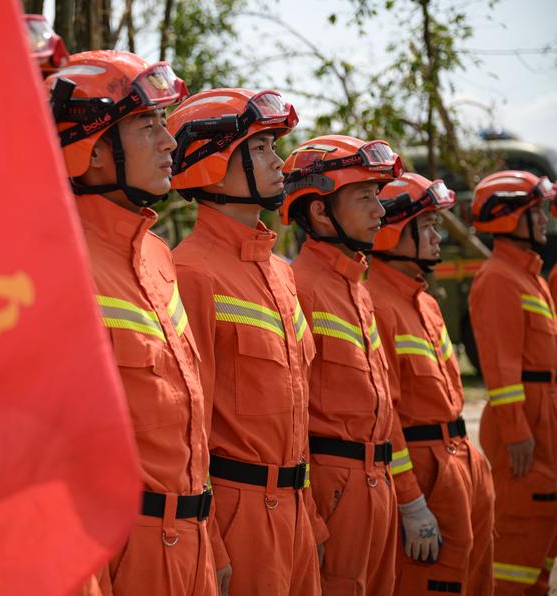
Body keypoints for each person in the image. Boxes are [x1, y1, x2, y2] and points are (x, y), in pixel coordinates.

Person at [46, 50, 216, 595]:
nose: (170, 142)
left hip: (192, 545)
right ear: (92, 152)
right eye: (148, 125)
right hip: (119, 557)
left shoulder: (159, 258)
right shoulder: (56, 271)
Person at [168, 88, 321, 595]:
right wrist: (212, 540)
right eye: (260, 149)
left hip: (296, 510)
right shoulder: (191, 272)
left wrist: (313, 518)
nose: (278, 161)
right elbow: (190, 425)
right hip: (240, 518)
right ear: (214, 163)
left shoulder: (281, 272)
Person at [279, 134, 400, 595]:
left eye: (379, 196)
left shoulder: (357, 288)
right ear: (319, 211)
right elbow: (292, 420)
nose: (380, 211)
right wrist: (311, 513)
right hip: (335, 491)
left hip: (376, 484)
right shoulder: (300, 288)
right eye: (365, 197)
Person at [367, 172, 495, 594]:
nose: (438, 236)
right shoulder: (376, 306)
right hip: (427, 473)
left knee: (475, 578)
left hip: (461, 461)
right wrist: (411, 500)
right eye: (427, 226)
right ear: (393, 233)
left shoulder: (424, 302)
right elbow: (386, 417)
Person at [469, 170, 557, 594]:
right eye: (534, 211)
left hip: (543, 417)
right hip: (522, 426)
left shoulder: (533, 277)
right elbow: (501, 367)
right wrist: (517, 430)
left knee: (542, 534)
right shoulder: (498, 279)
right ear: (506, 217)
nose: (544, 220)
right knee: (518, 537)